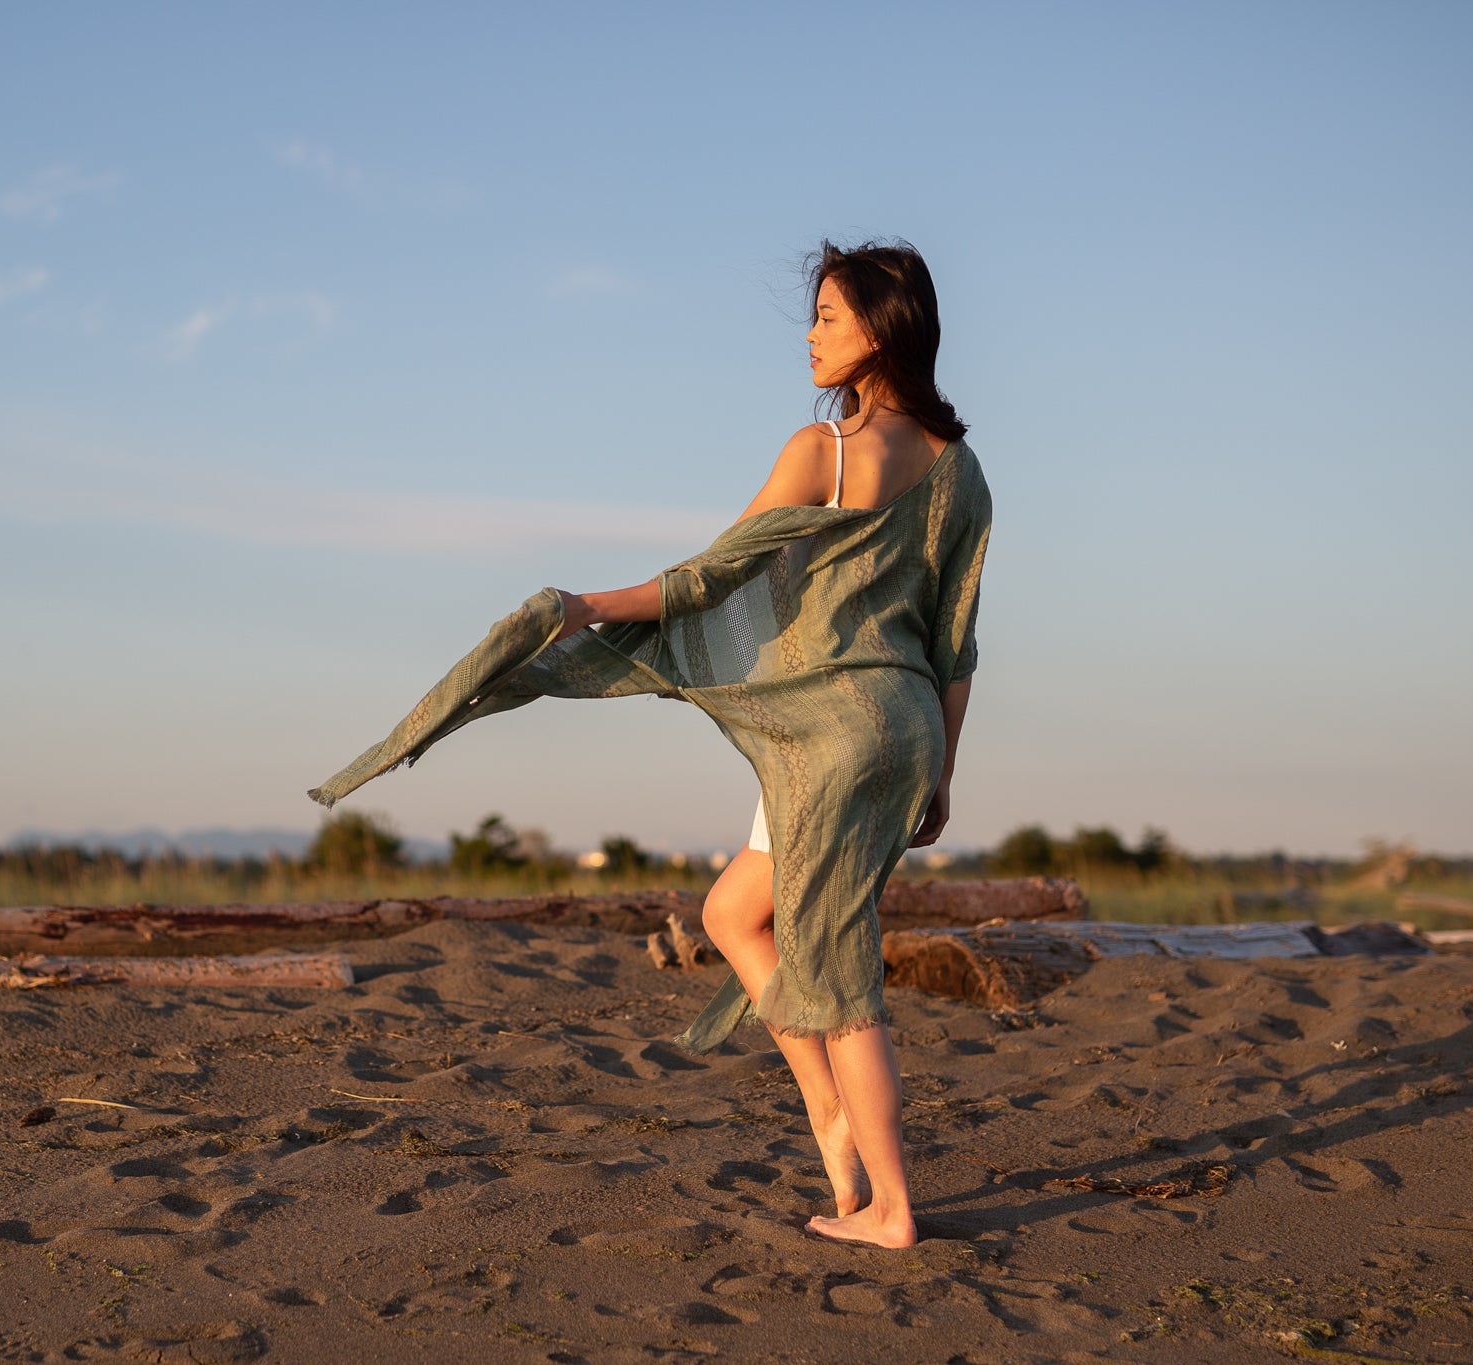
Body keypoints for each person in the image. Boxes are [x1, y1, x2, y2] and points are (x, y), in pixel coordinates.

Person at [310, 238, 989, 1252]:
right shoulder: (959, 474)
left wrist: (583, 607)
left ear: (881, 331)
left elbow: (705, 581)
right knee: (731, 913)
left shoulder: (824, 456)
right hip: (903, 725)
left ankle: (887, 1203)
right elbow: (955, 641)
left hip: (826, 731)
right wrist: (939, 768)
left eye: (830, 318)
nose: (809, 335)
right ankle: (827, 1107)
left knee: (836, 974)